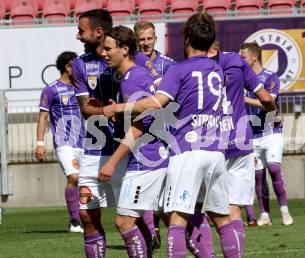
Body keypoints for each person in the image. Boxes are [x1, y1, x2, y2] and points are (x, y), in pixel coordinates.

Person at [103, 12, 241, 258]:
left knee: (176, 220)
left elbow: (156, 103)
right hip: (216, 152)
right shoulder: (217, 70)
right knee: (222, 219)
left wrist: (118, 108)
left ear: (187, 38)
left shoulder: (179, 70)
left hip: (187, 152)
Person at [98, 25, 169, 257]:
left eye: (108, 48)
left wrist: (112, 162)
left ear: (125, 49)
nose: (103, 53)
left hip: (146, 157)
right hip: (158, 154)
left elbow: (138, 128)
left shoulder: (130, 81)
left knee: (124, 222)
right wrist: (120, 114)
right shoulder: (138, 75)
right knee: (171, 217)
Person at [206, 41, 276, 254]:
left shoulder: (191, 66)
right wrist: (273, 110)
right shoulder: (236, 61)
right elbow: (265, 97)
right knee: (234, 208)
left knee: (205, 209)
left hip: (209, 142)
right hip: (239, 140)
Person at [72, 9, 128, 257]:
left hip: (125, 148)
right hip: (94, 149)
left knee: (133, 217)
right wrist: (113, 110)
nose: (78, 36)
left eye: (81, 31)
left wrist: (120, 109)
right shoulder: (79, 64)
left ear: (98, 31)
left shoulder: (126, 60)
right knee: (86, 213)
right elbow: (86, 108)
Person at [240, 42, 294, 226]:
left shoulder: (270, 77)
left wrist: (245, 98)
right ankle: (264, 214)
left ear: (254, 57)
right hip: (252, 133)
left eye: (243, 57)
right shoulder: (242, 79)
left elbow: (269, 101)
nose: (241, 60)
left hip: (271, 130)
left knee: (274, 169)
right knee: (258, 175)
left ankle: (284, 211)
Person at [133, 20, 176, 249]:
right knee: (143, 187)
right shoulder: (130, 65)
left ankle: (179, 234)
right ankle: (152, 233)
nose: (146, 43)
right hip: (139, 132)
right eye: (142, 40)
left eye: (150, 38)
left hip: (165, 133)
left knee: (165, 191)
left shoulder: (168, 64)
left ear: (156, 39)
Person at [35, 51, 85, 233]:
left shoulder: (82, 88)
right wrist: (40, 143)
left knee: (85, 182)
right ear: (68, 67)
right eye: (77, 66)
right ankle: (74, 221)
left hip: (85, 142)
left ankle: (85, 218)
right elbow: (42, 117)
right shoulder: (51, 90)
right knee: (73, 177)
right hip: (64, 142)